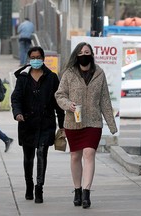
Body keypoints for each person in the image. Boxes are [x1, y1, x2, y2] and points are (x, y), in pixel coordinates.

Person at [55, 42, 118, 208]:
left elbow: (105, 100)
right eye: (82, 52)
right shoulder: (69, 73)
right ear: (77, 55)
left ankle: (86, 193)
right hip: (73, 121)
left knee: (89, 153)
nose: (84, 54)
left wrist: (111, 125)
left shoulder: (99, 73)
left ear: (91, 55)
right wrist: (68, 105)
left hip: (93, 122)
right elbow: (59, 95)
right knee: (75, 156)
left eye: (87, 52)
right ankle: (77, 189)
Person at [11, 46, 65, 204]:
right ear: (29, 59)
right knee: (28, 158)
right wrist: (17, 113)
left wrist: (62, 125)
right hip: (27, 123)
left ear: (43, 59)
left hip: (46, 123)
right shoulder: (23, 77)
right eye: (32, 57)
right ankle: (29, 185)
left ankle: (39, 187)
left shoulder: (52, 77)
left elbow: (58, 102)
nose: (35, 60)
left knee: (42, 153)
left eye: (38, 57)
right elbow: (16, 98)